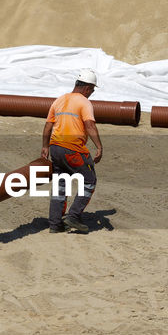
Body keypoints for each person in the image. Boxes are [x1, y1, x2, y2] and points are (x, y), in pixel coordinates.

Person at [40, 68, 103, 234]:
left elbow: (48, 126)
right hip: (73, 149)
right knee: (89, 180)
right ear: (87, 88)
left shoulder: (59, 100)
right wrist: (99, 146)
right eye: (92, 90)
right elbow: (90, 125)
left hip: (56, 148)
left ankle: (55, 225)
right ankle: (73, 216)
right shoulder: (84, 102)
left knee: (62, 184)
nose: (91, 93)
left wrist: (45, 146)